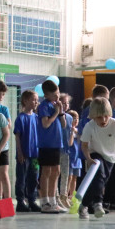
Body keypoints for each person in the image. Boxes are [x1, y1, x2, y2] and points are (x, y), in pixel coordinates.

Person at [36, 80, 65, 214]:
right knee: (46, 172)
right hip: (46, 144)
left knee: (56, 172)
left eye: (58, 93)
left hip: (56, 143)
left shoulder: (55, 105)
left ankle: (53, 201)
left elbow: (64, 125)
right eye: (54, 95)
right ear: (47, 95)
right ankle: (44, 202)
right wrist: (55, 113)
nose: (57, 97)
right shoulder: (44, 106)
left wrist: (61, 112)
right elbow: (46, 124)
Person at [13, 89, 40, 212]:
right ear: (25, 101)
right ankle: (20, 201)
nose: (36, 102)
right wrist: (19, 152)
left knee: (34, 177)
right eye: (33, 100)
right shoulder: (21, 118)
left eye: (37, 100)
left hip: (35, 155)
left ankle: (32, 200)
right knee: (22, 178)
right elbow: (17, 136)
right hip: (24, 155)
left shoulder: (37, 117)